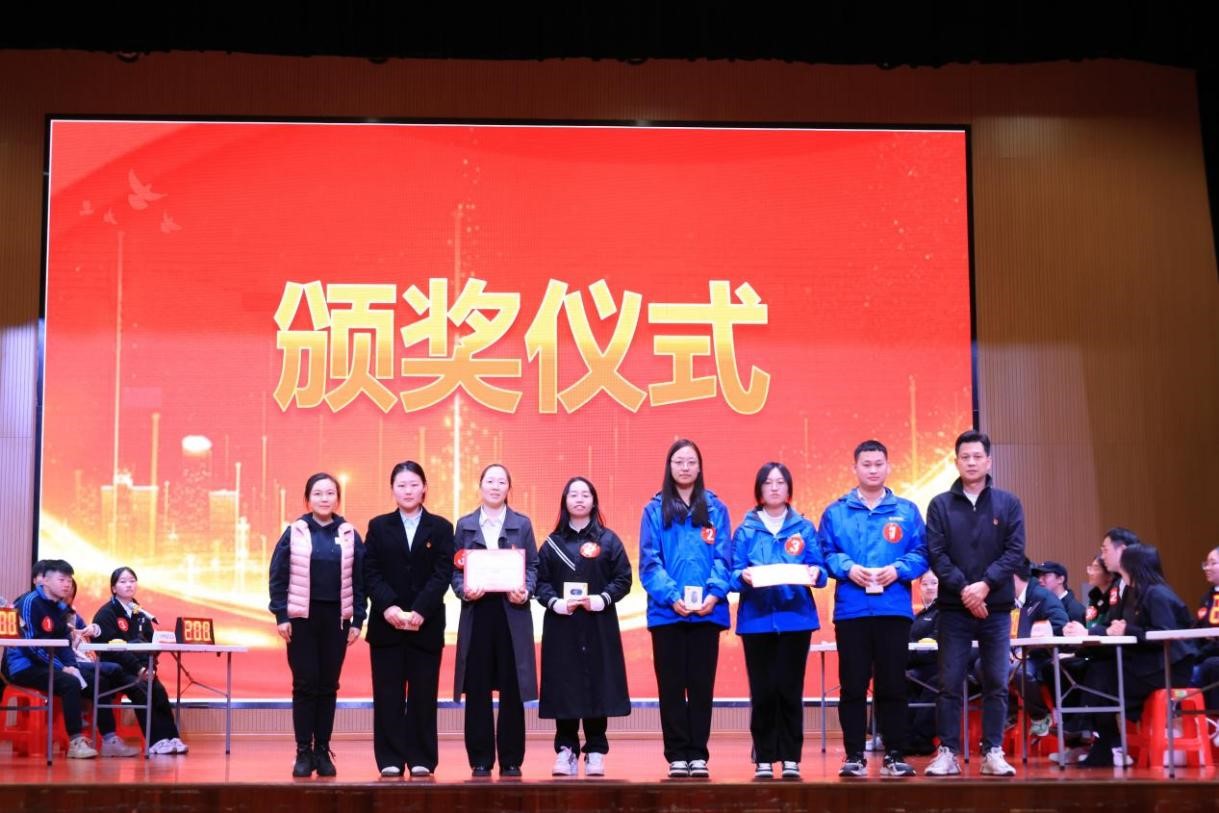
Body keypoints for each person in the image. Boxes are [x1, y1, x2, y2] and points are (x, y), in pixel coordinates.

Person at [819, 439, 929, 778]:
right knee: (852, 685)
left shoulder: (906, 511)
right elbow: (824, 553)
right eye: (866, 464)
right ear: (855, 468)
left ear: (888, 467)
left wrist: (898, 569)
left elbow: (923, 552)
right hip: (852, 610)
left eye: (878, 464)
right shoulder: (836, 511)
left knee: (893, 685)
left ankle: (895, 754)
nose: (872, 470)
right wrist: (847, 567)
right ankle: (853, 754)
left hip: (893, 610)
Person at [925, 430, 1025, 777]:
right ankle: (947, 752)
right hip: (954, 609)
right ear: (956, 462)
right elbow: (936, 554)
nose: (971, 462)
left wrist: (984, 586)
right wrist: (966, 591)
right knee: (949, 682)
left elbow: (1014, 552)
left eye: (977, 457)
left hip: (995, 609)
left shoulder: (1008, 503)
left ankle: (993, 751)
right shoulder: (940, 505)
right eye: (964, 457)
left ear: (989, 461)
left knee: (996, 681)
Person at [639, 438, 732, 779]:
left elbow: (724, 557)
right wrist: (671, 596)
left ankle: (698, 754)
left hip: (707, 612)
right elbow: (649, 561)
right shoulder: (654, 509)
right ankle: (677, 754)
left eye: (691, 461)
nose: (685, 467)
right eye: (679, 461)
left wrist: (714, 594)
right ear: (669, 466)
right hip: (668, 613)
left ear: (700, 467)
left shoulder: (716, 509)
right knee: (671, 686)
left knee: (702, 686)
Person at [730, 461, 826, 780]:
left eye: (780, 482)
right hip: (756, 620)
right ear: (759, 490)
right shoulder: (746, 529)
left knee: (789, 689)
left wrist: (815, 572)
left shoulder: (804, 527)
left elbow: (820, 570)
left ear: (789, 489)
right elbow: (732, 574)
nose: (774, 487)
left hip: (795, 619)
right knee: (763, 691)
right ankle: (763, 756)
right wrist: (741, 576)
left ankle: (790, 757)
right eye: (768, 482)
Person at [269, 472, 365, 778]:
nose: (324, 498)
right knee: (305, 684)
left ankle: (322, 750)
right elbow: (278, 576)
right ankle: (303, 751)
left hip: (336, 620)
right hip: (302, 620)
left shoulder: (349, 533)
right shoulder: (295, 532)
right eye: (318, 493)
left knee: (328, 685)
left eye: (330, 493)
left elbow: (360, 580)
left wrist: (357, 619)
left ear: (338, 498)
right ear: (307, 499)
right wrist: (281, 615)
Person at [536, 476, 633, 777]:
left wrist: (602, 599)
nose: (579, 499)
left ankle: (595, 750)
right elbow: (539, 582)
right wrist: (555, 602)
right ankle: (566, 749)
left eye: (585, 494)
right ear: (564, 501)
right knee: (564, 684)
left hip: (598, 623)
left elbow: (624, 578)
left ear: (594, 501)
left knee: (597, 683)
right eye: (573, 494)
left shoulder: (609, 540)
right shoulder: (551, 544)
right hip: (562, 625)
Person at [363, 460, 454, 778]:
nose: (408, 491)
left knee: (423, 694)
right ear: (392, 490)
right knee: (387, 693)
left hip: (425, 624)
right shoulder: (378, 526)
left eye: (414, 484)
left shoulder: (441, 527)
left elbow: (443, 573)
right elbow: (369, 570)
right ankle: (389, 757)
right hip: (386, 624)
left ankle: (421, 757)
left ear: (424, 488)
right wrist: (388, 606)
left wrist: (420, 610)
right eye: (401, 485)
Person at [451, 463, 539, 778]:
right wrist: (463, 589)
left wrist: (525, 590)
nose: (495, 486)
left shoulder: (522, 524)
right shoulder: (465, 525)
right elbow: (454, 570)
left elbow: (534, 566)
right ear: (480, 486)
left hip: (511, 613)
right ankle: (480, 758)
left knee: (512, 687)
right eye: (490, 481)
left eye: (501, 481)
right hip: (477, 614)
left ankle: (511, 758)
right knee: (477, 687)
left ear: (508, 488)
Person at [2, 560, 140, 758]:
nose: (67, 584)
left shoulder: (61, 607)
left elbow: (65, 643)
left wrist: (71, 665)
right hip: (23, 666)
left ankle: (109, 740)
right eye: (61, 580)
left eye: (69, 580)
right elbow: (31, 646)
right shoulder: (29, 603)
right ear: (44, 581)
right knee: (69, 682)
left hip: (49, 664)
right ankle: (76, 742)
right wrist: (62, 668)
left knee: (99, 681)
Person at [1077, 543, 1197, 767]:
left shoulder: (1157, 594)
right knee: (1095, 670)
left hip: (1169, 668)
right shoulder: (1138, 594)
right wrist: (1119, 629)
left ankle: (1104, 742)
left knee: (1099, 676)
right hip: (1151, 663)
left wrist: (1127, 630)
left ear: (1132, 566)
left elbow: (1164, 634)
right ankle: (1105, 742)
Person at [91, 566, 188, 754]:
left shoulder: (141, 613)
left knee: (159, 690)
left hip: (141, 669)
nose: (129, 585)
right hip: (116, 670)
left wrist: (151, 667)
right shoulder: (106, 613)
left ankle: (172, 737)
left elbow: (151, 644)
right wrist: (139, 670)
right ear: (114, 588)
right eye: (123, 582)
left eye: (132, 581)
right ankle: (155, 742)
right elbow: (112, 650)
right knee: (141, 689)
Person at [1010, 559, 1068, 737]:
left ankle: (1040, 716)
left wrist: (1031, 645)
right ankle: (1010, 713)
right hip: (1013, 653)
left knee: (1020, 671)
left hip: (1039, 655)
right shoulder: (1009, 601)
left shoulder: (1042, 596)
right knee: (983, 665)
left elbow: (1060, 623)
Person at [906, 571, 942, 755]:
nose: (929, 587)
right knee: (891, 676)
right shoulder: (917, 616)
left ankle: (921, 739)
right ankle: (891, 735)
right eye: (925, 584)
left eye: (934, 583)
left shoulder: (944, 612)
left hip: (938, 666)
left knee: (931, 682)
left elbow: (934, 642)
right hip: (916, 665)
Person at [1190, 545, 1219, 747]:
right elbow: (1197, 631)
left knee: (1213, 665)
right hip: (1205, 653)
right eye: (1205, 564)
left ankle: (1215, 721)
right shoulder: (1206, 598)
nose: (1207, 568)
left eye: (1212, 563)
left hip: (1212, 656)